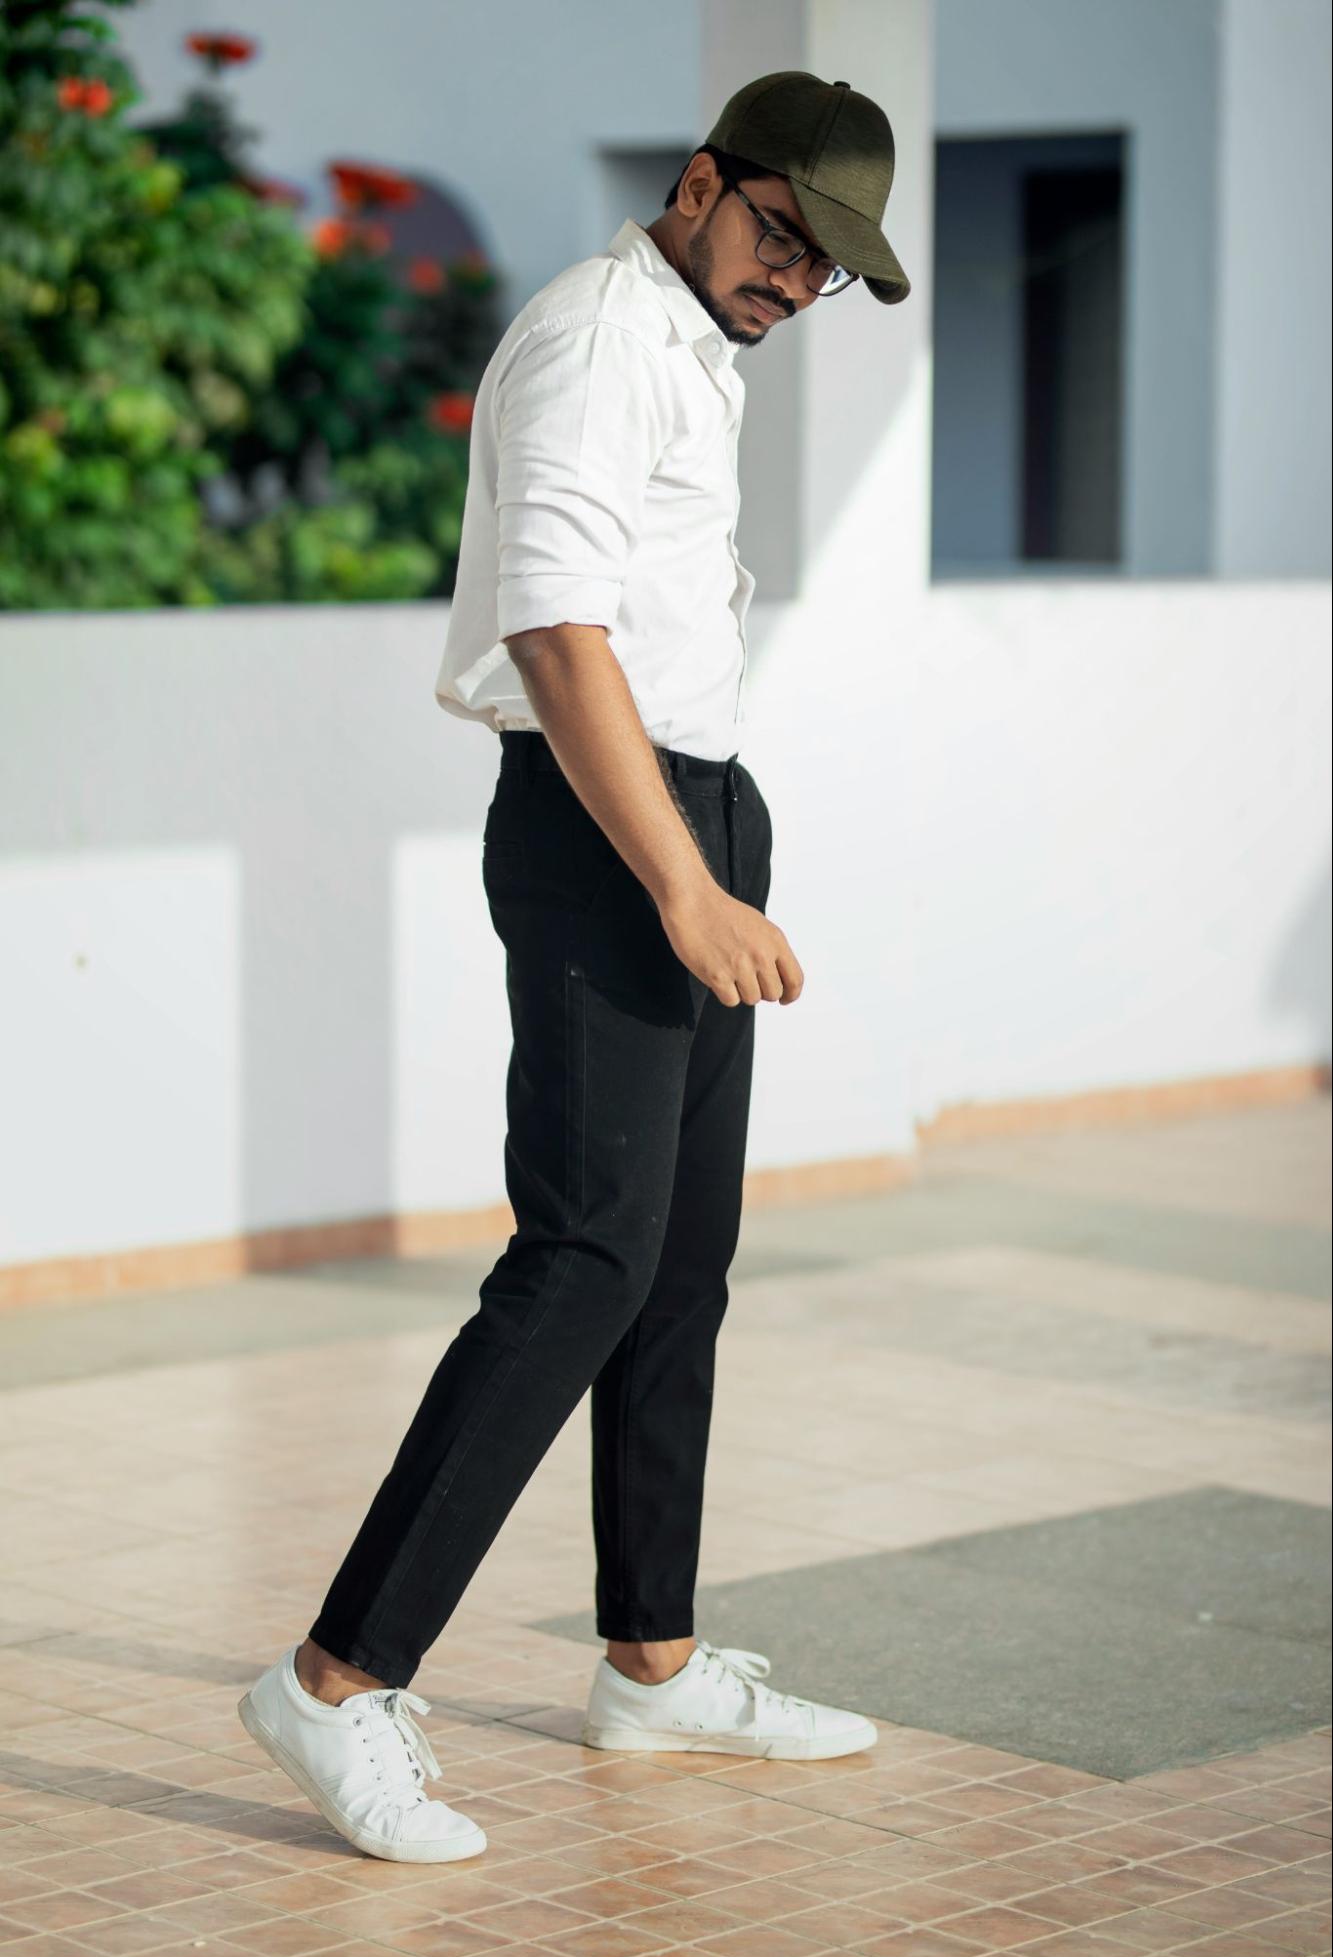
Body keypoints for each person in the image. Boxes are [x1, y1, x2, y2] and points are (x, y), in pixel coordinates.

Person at [240, 68, 911, 1865]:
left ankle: (651, 1660)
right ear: (700, 185)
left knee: (677, 1262)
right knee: (584, 1262)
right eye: (778, 234)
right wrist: (683, 886)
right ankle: (331, 1684)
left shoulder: (688, 344)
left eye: (824, 268)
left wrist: (717, 845)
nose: (790, 282)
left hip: (695, 800)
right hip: (607, 827)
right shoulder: (597, 338)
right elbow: (554, 627)